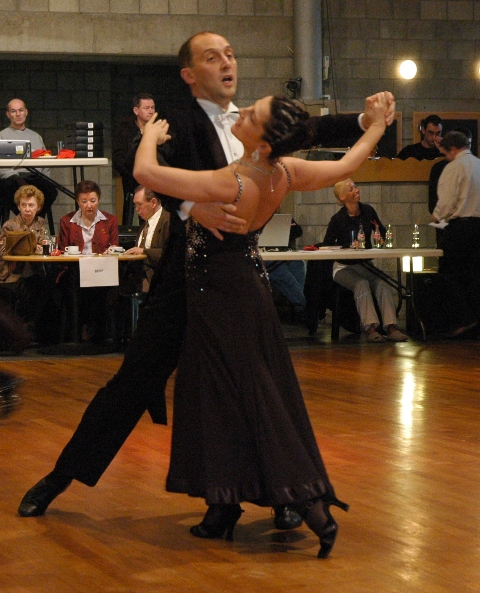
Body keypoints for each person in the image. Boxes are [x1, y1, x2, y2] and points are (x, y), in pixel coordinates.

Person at [17, 31, 393, 532]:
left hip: (231, 281)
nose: (226, 63)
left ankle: (251, 497)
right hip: (183, 281)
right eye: (212, 58)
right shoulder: (181, 119)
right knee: (136, 382)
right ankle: (61, 477)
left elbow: (307, 126)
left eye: (231, 54)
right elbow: (142, 162)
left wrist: (369, 120)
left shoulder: (251, 123)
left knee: (240, 387)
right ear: (190, 74)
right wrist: (195, 206)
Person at [131, 90, 392, 558]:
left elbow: (146, 175)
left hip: (221, 299)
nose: (244, 111)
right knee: (244, 396)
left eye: (253, 115)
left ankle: (307, 505)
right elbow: (346, 165)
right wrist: (374, 125)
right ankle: (243, 501)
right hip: (244, 293)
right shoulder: (284, 172)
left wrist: (148, 135)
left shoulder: (236, 180)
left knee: (247, 399)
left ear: (265, 143)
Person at [322, 179, 407, 343]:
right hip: (343, 267)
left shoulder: (368, 211)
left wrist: (380, 239)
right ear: (342, 196)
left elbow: (380, 231)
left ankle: (391, 327)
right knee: (361, 284)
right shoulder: (337, 219)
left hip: (364, 264)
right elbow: (327, 245)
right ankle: (370, 328)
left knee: (382, 284)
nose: (356, 190)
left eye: (355, 187)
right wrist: (347, 246)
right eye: (351, 189)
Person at [431, 130, 480, 336]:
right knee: (475, 275)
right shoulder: (478, 164)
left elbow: (447, 202)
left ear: (452, 149)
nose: (446, 157)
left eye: (445, 153)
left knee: (449, 275)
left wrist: (436, 217)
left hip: (460, 228)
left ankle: (464, 319)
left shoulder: (454, 167)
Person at [58, 180, 119, 343]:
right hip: (73, 270)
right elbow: (62, 248)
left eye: (93, 201)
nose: (89, 205)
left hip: (100, 270)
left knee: (100, 287)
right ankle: (79, 331)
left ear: (99, 200)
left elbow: (115, 247)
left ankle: (96, 331)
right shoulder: (67, 221)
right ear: (78, 201)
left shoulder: (109, 220)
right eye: (84, 201)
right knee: (75, 283)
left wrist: (108, 252)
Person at [0, 185, 49, 342]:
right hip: (12, 273)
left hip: (34, 270)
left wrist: (38, 247)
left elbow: (43, 244)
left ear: (38, 207)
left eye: (31, 205)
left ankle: (30, 327)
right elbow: (2, 250)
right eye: (24, 205)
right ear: (18, 206)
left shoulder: (40, 223)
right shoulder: (10, 225)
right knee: (30, 292)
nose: (27, 209)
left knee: (48, 288)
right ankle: (22, 329)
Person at [0, 99, 57, 223]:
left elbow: (44, 163)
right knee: (7, 188)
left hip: (34, 177)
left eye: (21, 110)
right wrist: (17, 179)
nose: (18, 114)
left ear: (26, 112)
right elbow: (2, 168)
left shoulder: (36, 137)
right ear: (8, 114)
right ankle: (23, 222)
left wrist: (43, 178)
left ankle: (36, 222)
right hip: (12, 178)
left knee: (51, 190)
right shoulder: (2, 136)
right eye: (14, 111)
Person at [112, 94, 156, 223]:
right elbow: (118, 159)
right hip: (132, 179)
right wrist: (133, 175)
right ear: (136, 110)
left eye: (153, 107)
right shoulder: (125, 131)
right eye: (146, 107)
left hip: (155, 179)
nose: (151, 111)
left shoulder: (158, 129)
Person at [123, 185, 170, 292]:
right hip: (138, 279)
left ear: (153, 202)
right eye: (135, 205)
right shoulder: (144, 224)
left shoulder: (167, 221)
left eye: (139, 205)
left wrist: (144, 252)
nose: (136, 210)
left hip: (158, 282)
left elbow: (169, 255)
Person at [264, 219, 306, 314]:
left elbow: (298, 231)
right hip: (263, 256)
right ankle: (304, 306)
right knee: (280, 271)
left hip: (282, 253)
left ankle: (298, 307)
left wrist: (283, 231)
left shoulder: (280, 218)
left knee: (298, 263)